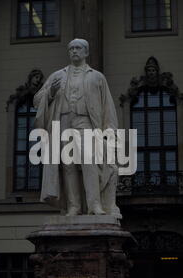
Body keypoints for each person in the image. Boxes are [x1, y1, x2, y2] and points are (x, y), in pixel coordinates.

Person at [33, 39, 121, 218]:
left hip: (85, 122)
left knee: (89, 163)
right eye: (71, 48)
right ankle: (74, 206)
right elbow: (37, 100)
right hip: (64, 121)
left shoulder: (97, 77)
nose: (74, 51)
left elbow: (107, 107)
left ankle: (94, 204)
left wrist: (109, 133)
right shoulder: (58, 75)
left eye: (78, 48)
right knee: (68, 165)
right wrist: (50, 93)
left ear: (86, 52)